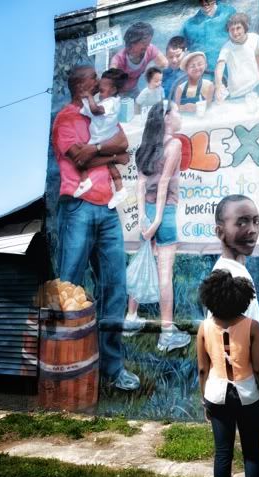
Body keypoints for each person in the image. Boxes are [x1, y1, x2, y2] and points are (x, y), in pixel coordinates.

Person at [51, 65, 140, 391]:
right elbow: (79, 159)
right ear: (80, 86)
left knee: (115, 287)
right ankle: (65, 367)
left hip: (107, 210)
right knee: (70, 287)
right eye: (93, 78)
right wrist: (107, 154)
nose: (100, 81)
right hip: (77, 208)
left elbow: (124, 147)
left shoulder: (103, 113)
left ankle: (112, 369)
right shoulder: (66, 119)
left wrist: (97, 150)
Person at [126, 101, 192, 353]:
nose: (179, 116)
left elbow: (140, 184)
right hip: (165, 213)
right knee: (165, 273)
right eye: (176, 111)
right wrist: (156, 221)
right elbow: (163, 183)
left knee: (142, 261)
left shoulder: (146, 146)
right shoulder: (174, 145)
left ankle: (131, 318)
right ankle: (166, 333)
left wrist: (144, 216)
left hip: (148, 212)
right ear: (166, 118)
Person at [197, 269, 259, 477]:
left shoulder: (204, 327)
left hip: (216, 395)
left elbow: (202, 369)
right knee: (251, 454)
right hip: (248, 395)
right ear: (241, 298)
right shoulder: (253, 327)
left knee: (222, 453)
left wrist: (205, 400)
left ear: (210, 297)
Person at [77, 68, 130, 210]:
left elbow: (95, 111)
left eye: (102, 89)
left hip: (102, 138)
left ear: (113, 90)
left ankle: (85, 181)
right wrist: (87, 98)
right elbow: (91, 111)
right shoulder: (109, 100)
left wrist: (89, 97)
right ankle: (120, 189)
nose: (99, 92)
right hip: (105, 136)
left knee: (80, 160)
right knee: (110, 165)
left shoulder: (110, 102)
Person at [210, 195, 259, 323]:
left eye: (256, 222)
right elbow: (223, 333)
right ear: (220, 232)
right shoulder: (227, 278)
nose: (253, 230)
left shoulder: (235, 270)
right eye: (242, 223)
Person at [214, 13, 259, 102]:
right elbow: (219, 67)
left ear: (245, 27)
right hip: (237, 93)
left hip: (256, 87)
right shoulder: (227, 48)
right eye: (232, 29)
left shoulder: (255, 38)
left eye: (238, 28)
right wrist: (218, 86)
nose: (235, 32)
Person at [110, 22, 168, 97]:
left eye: (149, 42)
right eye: (144, 43)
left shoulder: (149, 49)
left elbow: (164, 63)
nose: (147, 45)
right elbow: (110, 79)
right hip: (119, 93)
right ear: (132, 43)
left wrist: (153, 74)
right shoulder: (119, 59)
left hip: (134, 89)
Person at [182, 0, 236, 73]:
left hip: (230, 68)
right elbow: (185, 51)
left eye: (208, 0)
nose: (204, 3)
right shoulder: (189, 25)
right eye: (201, 0)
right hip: (204, 73)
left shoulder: (229, 12)